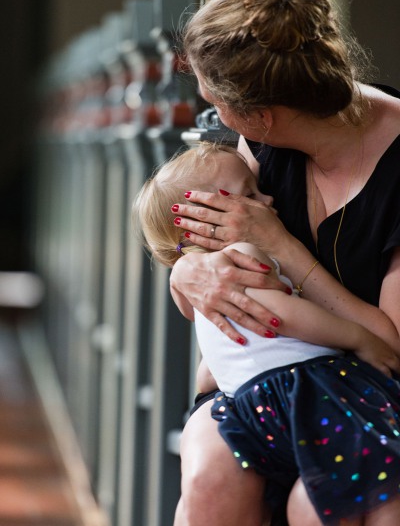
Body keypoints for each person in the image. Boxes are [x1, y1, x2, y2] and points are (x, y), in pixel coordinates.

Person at [165, 0, 400, 526]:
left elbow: (390, 346)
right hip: (272, 385)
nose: (212, 118)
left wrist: (285, 248)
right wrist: (184, 273)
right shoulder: (255, 148)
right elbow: (207, 257)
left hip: (373, 391)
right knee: (208, 478)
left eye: (213, 102)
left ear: (262, 116)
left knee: (316, 505)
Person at [134, 141, 400, 525]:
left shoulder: (203, 278)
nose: (268, 197)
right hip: (306, 392)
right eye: (249, 195)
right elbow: (283, 316)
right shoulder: (245, 254)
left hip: (246, 406)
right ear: (206, 220)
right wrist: (358, 338)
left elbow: (215, 357)